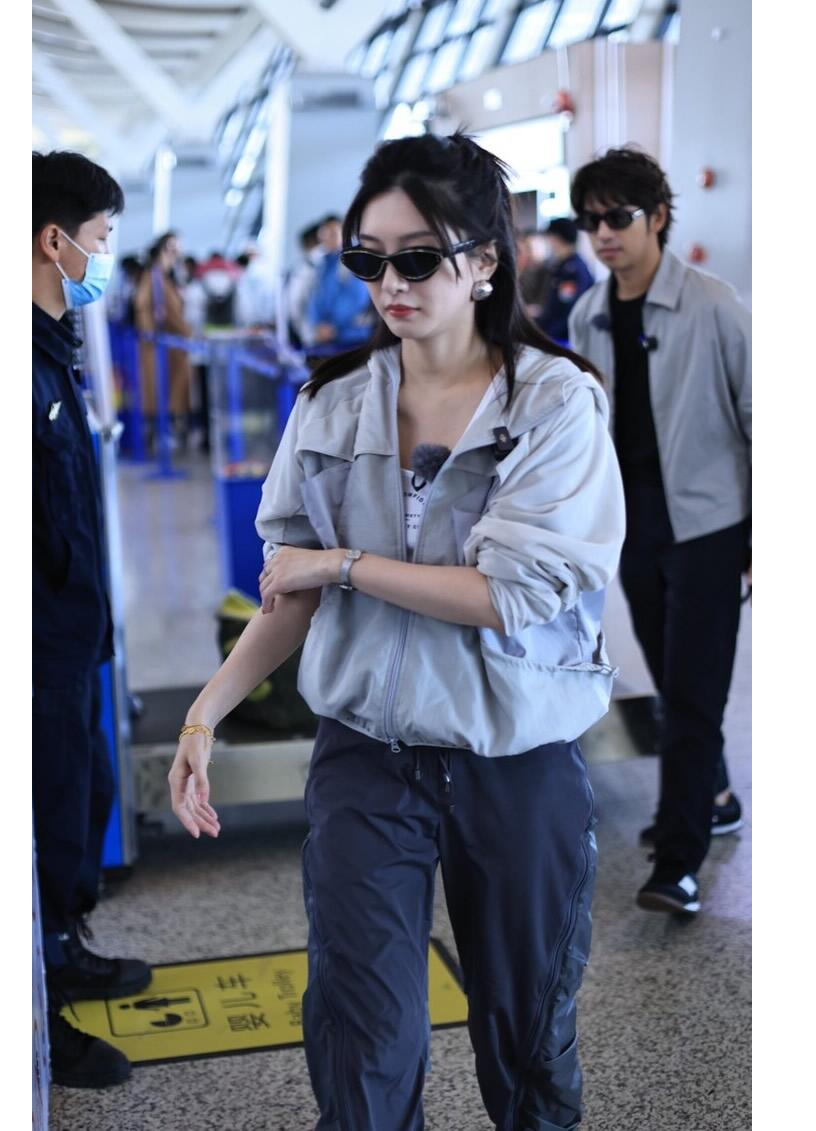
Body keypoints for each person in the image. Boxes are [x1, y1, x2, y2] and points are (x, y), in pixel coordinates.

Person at [167, 131, 625, 1130]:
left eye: (417, 259)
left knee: (526, 1028)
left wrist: (344, 565)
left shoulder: (554, 405)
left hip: (514, 754)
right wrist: (205, 714)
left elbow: (509, 593)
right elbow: (289, 590)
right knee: (360, 1029)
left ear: (485, 261)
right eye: (366, 261)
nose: (390, 285)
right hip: (367, 756)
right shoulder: (331, 403)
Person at [568, 147, 751, 917]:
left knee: (693, 695)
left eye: (619, 216)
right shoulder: (587, 315)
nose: (604, 233)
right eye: (591, 221)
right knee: (673, 678)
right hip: (633, 530)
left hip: (709, 526)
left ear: (659, 217)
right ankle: (716, 796)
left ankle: (678, 862)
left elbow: (762, 417)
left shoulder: (713, 305)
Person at [33, 150, 152, 1088]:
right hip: (37, 643)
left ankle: (63, 949)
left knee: (81, 797)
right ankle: (38, 1012)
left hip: (72, 634)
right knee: (45, 812)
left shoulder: (51, 345)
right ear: (55, 241)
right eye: (101, 238)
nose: (105, 257)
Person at [133, 230, 193, 447]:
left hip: (173, 345)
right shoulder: (154, 276)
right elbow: (143, 306)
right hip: (158, 345)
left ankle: (169, 431)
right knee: (157, 391)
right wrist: (150, 334)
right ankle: (157, 435)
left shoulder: (169, 277)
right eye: (172, 247)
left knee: (173, 392)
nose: (177, 252)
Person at [305, 213, 375, 348]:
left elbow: (356, 298)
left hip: (351, 337)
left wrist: (334, 328)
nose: (328, 239)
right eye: (324, 235)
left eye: (333, 234)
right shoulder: (323, 265)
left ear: (344, 234)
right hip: (326, 338)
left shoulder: (353, 262)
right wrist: (316, 324)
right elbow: (315, 297)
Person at [537, 218, 594, 344]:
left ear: (558, 238)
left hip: (564, 337)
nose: (549, 242)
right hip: (556, 333)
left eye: (550, 237)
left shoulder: (572, 270)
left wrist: (545, 334)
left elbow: (568, 310)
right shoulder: (562, 266)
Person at [287, 221, 326, 347]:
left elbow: (295, 307)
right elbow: (296, 305)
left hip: (316, 336)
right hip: (315, 338)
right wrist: (309, 334)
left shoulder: (306, 268)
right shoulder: (307, 268)